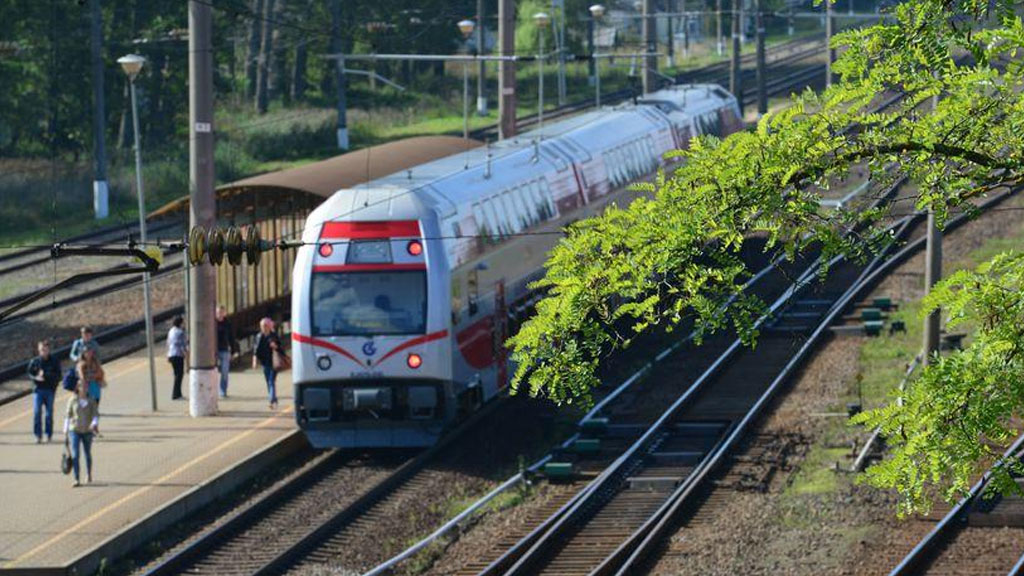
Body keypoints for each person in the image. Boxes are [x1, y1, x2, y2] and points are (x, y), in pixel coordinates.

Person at [64, 379, 99, 487]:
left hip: (87, 431)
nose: (84, 388)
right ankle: (76, 478)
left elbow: (95, 414)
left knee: (87, 453)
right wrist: (65, 429)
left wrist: (93, 424)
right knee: (75, 454)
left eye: (85, 386)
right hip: (74, 429)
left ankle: (88, 474)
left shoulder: (91, 400)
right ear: (77, 388)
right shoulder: (72, 400)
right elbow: (68, 415)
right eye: (81, 386)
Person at [27, 340, 61, 443]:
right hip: (38, 390)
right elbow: (30, 373)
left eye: (45, 350)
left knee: (49, 414)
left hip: (50, 390)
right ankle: (38, 435)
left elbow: (58, 375)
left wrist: (45, 375)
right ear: (39, 350)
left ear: (48, 350)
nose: (43, 352)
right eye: (42, 350)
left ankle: (48, 434)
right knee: (37, 412)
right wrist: (35, 377)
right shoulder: (35, 361)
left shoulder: (54, 361)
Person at [252, 317, 282, 409]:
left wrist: (275, 346)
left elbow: (280, 347)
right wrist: (254, 361)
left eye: (265, 325)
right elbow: (255, 350)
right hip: (265, 362)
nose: (263, 327)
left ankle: (271, 400)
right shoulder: (259, 336)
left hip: (274, 361)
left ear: (269, 326)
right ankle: (274, 399)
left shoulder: (274, 335)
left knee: (271, 381)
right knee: (268, 381)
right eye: (262, 326)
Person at [215, 306, 238, 398]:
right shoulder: (212, 323)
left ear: (224, 313)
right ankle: (212, 389)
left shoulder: (227, 323)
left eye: (222, 312)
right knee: (212, 372)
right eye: (218, 312)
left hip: (224, 350)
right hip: (213, 350)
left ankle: (223, 390)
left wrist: (233, 351)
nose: (220, 314)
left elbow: (232, 337)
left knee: (224, 371)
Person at [167, 316, 188, 401]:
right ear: (180, 323)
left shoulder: (171, 331)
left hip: (171, 354)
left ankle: (177, 394)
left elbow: (168, 342)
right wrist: (186, 356)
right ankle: (176, 394)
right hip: (178, 355)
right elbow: (182, 346)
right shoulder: (180, 332)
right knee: (179, 375)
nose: (184, 324)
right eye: (183, 322)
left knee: (176, 374)